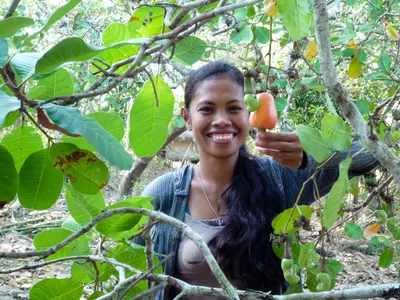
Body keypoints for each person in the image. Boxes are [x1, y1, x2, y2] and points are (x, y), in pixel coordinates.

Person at [136, 60, 379, 299]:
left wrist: (313, 153)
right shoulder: (162, 193)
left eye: (233, 108)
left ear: (248, 114)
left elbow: (374, 155)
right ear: (187, 118)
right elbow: (136, 281)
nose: (221, 119)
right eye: (207, 109)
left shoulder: (278, 176)